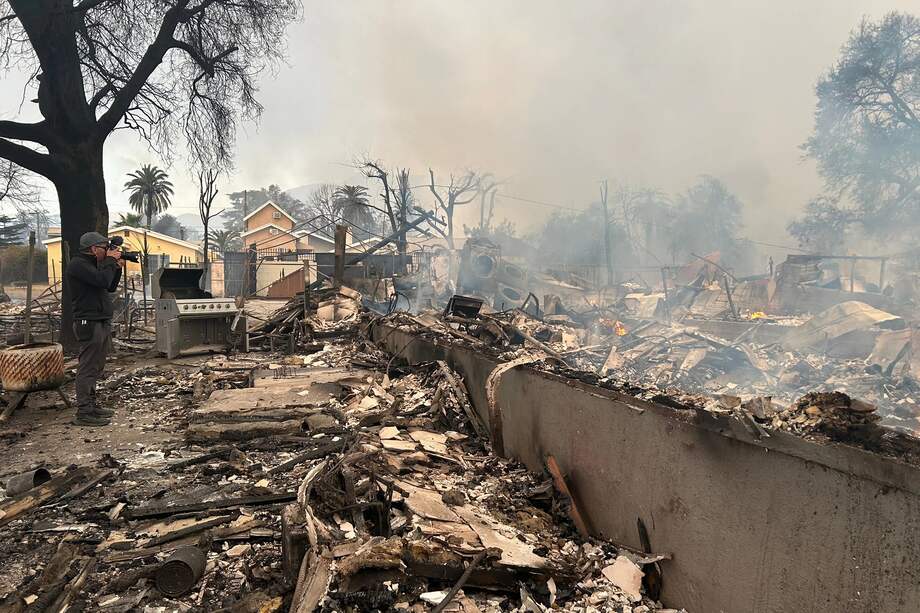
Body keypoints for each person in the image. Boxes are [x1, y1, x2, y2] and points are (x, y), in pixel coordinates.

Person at [66, 231, 124, 426]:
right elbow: (102, 280)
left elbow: (109, 286)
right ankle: (84, 412)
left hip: (100, 320)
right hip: (88, 322)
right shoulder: (78, 265)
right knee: (87, 367)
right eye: (104, 248)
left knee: (96, 366)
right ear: (93, 249)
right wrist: (110, 261)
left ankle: (91, 406)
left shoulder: (93, 265)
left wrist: (116, 267)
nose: (107, 251)